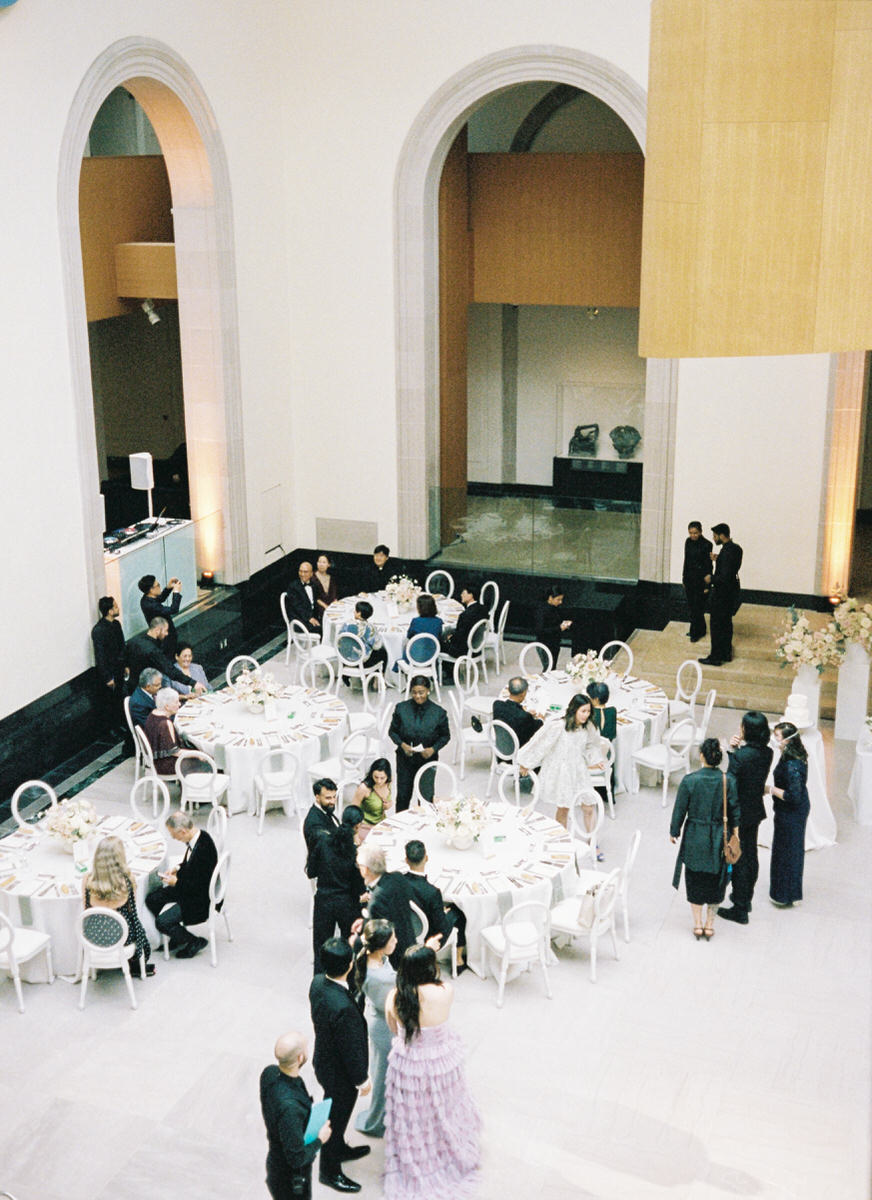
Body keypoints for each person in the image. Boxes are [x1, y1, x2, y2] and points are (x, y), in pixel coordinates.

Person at [384, 946, 480, 1199]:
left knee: (414, 1115)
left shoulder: (396, 996)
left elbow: (394, 1029)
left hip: (410, 1064)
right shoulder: (446, 990)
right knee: (445, 1108)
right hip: (443, 1061)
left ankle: (417, 1154)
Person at [309, 937, 371, 1193]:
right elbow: (350, 1049)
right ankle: (329, 1169)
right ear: (349, 965)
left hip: (324, 1059)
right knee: (336, 1117)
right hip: (340, 1072)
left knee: (333, 1110)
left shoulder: (317, 983)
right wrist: (361, 1079)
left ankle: (336, 1147)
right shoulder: (344, 1007)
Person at [670, 737, 740, 940]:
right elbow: (735, 812)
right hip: (720, 837)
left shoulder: (690, 780)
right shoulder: (729, 781)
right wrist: (735, 836)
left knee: (695, 879)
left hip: (695, 835)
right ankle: (710, 924)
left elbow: (679, 810)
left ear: (701, 756)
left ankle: (697, 923)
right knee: (716, 881)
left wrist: (674, 831)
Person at [517, 693, 606, 830]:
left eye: (588, 711)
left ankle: (592, 841)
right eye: (583, 711)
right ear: (574, 710)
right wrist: (526, 763)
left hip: (579, 770)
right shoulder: (558, 726)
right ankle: (563, 840)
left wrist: (596, 759)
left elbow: (592, 745)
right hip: (563, 771)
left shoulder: (588, 727)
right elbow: (540, 744)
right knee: (564, 809)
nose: (586, 715)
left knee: (589, 806)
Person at [260, 1031, 331, 1200]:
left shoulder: (269, 1073)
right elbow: (296, 1157)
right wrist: (320, 1139)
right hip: (289, 1180)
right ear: (300, 1058)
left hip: (275, 1162)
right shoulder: (290, 1110)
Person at [718, 711, 773, 925]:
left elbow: (731, 782)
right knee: (751, 853)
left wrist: (731, 752)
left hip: (739, 813)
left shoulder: (741, 757)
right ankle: (745, 897)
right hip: (755, 809)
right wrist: (737, 750)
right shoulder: (767, 752)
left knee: (737, 857)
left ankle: (740, 907)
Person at [145, 811, 217, 958]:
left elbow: (197, 886)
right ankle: (176, 934)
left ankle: (194, 941)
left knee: (162, 922)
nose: (172, 837)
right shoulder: (199, 837)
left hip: (199, 898)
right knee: (152, 899)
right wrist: (177, 868)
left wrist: (176, 882)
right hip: (190, 886)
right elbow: (190, 865)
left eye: (173, 835)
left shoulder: (202, 850)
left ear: (183, 831)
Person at [83, 835, 154, 977]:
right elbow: (132, 910)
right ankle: (135, 964)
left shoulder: (87, 880)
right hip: (123, 936)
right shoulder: (128, 880)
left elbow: (86, 910)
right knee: (140, 931)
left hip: (94, 936)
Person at [352, 919, 397, 1139]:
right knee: (382, 1076)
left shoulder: (374, 960)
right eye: (393, 939)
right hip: (385, 1026)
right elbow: (389, 1004)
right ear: (381, 945)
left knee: (383, 1071)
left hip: (381, 1020)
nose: (396, 941)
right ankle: (377, 1121)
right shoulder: (380, 978)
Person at [310, 806, 367, 974]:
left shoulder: (322, 842)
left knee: (320, 946)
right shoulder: (355, 853)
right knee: (351, 943)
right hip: (346, 903)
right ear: (358, 826)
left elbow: (311, 871)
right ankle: (349, 978)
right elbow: (359, 887)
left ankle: (319, 981)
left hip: (324, 900)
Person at [388, 676, 451, 812]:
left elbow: (445, 736)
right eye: (414, 692)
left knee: (425, 797)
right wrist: (402, 745)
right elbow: (392, 732)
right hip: (405, 759)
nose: (418, 696)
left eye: (421, 692)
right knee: (403, 796)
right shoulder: (401, 708)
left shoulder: (439, 713)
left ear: (428, 690)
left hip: (428, 759)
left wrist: (433, 749)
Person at [404, 839, 468, 971]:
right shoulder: (432, 892)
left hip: (406, 928)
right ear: (426, 858)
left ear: (406, 860)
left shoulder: (399, 880)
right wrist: (443, 913)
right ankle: (459, 960)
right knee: (460, 911)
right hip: (429, 935)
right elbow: (441, 926)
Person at [766, 721, 811, 908]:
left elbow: (793, 796)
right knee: (788, 850)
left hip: (792, 812)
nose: (775, 740)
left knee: (787, 852)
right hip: (789, 811)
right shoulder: (792, 755)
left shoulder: (792, 764)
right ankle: (788, 892)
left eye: (777, 737)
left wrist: (770, 789)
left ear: (787, 740)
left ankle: (785, 894)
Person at [357, 843, 421, 967]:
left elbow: (376, 935)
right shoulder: (398, 877)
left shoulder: (375, 902)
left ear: (365, 869)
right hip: (409, 937)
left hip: (394, 954)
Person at [699, 523, 743, 666]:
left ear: (722, 535)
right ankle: (725, 653)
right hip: (730, 595)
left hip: (722, 595)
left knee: (717, 626)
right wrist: (719, 559)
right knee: (726, 624)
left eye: (715, 536)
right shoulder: (735, 549)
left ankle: (715, 657)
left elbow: (724, 577)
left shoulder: (727, 551)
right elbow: (731, 567)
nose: (713, 538)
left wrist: (710, 578)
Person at [126, 616, 204, 695]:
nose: (167, 634)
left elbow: (122, 659)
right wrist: (193, 683)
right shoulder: (153, 650)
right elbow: (170, 670)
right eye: (165, 630)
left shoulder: (134, 641)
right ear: (158, 630)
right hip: (146, 690)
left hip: (131, 687)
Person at [90, 595, 126, 733]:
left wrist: (126, 664)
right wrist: (107, 677)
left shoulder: (116, 624)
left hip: (119, 668)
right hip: (110, 671)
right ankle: (113, 728)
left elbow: (122, 645)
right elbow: (100, 656)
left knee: (119, 699)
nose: (118, 608)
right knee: (110, 702)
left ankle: (121, 724)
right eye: (115, 606)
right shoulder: (98, 630)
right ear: (110, 611)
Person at [138, 573, 183, 659]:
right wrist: (176, 592)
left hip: (164, 634)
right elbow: (173, 609)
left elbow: (160, 598)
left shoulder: (146, 599)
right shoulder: (151, 605)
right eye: (158, 585)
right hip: (165, 637)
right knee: (170, 658)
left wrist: (168, 588)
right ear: (151, 589)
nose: (160, 586)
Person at [682, 521, 713, 643]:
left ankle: (696, 631)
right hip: (690, 578)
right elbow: (686, 560)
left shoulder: (707, 545)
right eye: (691, 533)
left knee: (698, 606)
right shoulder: (688, 542)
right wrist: (684, 577)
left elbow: (708, 565)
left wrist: (707, 585)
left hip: (700, 579)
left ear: (700, 532)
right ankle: (699, 629)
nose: (693, 535)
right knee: (692, 606)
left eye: (695, 533)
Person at [340, 600, 388, 675]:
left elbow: (339, 638)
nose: (354, 612)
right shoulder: (371, 628)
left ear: (359, 614)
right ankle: (378, 678)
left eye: (355, 611)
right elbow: (377, 646)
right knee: (383, 652)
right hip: (361, 660)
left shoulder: (346, 624)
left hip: (345, 657)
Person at [396, 592, 443, 669]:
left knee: (404, 643)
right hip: (432, 654)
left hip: (415, 656)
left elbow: (409, 636)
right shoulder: (439, 621)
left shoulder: (416, 621)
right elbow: (439, 636)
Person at [303, 779, 340, 876]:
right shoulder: (315, 825)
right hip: (326, 868)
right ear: (317, 797)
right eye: (328, 798)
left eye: (334, 797)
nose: (332, 801)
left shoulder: (324, 809)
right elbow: (326, 853)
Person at [143, 686, 183, 776]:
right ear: (167, 707)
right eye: (176, 702)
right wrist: (199, 755)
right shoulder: (165, 723)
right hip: (165, 766)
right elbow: (175, 752)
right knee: (207, 760)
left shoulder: (152, 714)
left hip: (155, 760)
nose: (179, 704)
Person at [441, 584, 487, 659]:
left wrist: (450, 638)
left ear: (470, 595)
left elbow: (460, 636)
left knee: (438, 642)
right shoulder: (483, 608)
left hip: (464, 650)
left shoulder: (465, 615)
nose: (461, 595)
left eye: (463, 593)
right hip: (477, 646)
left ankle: (447, 668)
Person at [535, 585, 572, 669]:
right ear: (550, 598)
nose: (560, 602)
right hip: (545, 644)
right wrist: (559, 628)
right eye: (558, 599)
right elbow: (540, 630)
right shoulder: (541, 610)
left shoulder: (554, 607)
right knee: (548, 668)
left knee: (552, 667)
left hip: (554, 642)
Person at [351, 759, 394, 827]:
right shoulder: (364, 788)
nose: (379, 781)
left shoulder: (388, 782)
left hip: (381, 823)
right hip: (365, 825)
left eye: (382, 778)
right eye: (376, 777)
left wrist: (389, 804)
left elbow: (389, 800)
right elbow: (352, 810)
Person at [286, 561, 322, 634]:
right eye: (300, 571)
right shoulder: (293, 587)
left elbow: (316, 602)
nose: (302, 574)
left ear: (311, 574)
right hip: (299, 620)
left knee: (327, 625)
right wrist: (309, 618)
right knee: (321, 629)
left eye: (305, 572)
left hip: (312, 616)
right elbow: (297, 606)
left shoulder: (314, 585)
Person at [313, 552, 339, 617]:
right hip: (318, 608)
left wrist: (334, 604)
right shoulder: (312, 577)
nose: (321, 564)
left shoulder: (331, 578)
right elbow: (315, 597)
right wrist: (326, 607)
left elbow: (335, 595)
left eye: (324, 562)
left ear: (329, 564)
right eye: (319, 562)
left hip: (331, 607)